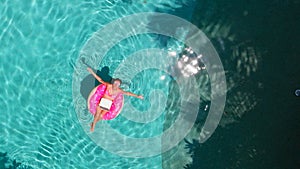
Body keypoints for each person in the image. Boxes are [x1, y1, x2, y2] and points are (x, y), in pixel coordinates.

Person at [87, 67, 144, 132]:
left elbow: (127, 93)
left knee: (101, 115)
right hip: (102, 101)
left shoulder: (119, 91)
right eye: (115, 83)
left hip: (108, 104)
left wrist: (137, 96)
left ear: (119, 85)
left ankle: (92, 123)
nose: (116, 85)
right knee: (97, 114)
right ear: (113, 83)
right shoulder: (109, 85)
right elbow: (100, 80)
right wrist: (92, 72)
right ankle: (93, 126)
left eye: (118, 84)